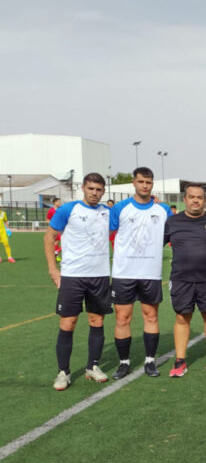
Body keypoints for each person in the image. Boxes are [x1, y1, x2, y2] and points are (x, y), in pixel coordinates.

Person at [44, 173, 111, 390]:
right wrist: (53, 270)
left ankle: (93, 366)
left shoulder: (107, 212)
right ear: (83, 188)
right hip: (72, 276)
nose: (94, 193)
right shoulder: (68, 210)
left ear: (103, 191)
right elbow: (49, 237)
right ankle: (63, 372)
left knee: (97, 321)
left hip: (99, 275)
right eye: (91, 188)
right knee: (68, 322)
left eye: (98, 189)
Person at [110, 167, 173, 379]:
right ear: (134, 183)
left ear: (152, 184)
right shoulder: (120, 208)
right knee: (122, 318)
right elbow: (107, 233)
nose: (145, 186)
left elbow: (170, 234)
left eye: (148, 182)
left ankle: (150, 361)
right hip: (123, 273)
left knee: (151, 315)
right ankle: (124, 363)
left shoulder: (163, 210)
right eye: (141, 182)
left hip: (150, 273)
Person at [165, 184, 206, 377]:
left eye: (199, 197)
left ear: (204, 200)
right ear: (185, 199)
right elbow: (155, 244)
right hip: (181, 279)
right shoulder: (172, 222)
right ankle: (180, 361)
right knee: (182, 318)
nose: (196, 200)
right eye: (192, 197)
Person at [47, 197, 63, 261]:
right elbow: (47, 220)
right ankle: (57, 256)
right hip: (55, 229)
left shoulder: (62, 209)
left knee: (66, 243)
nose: (60, 203)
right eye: (58, 202)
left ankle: (56, 252)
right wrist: (53, 224)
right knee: (56, 243)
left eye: (60, 201)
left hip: (62, 229)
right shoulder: (51, 210)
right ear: (54, 203)